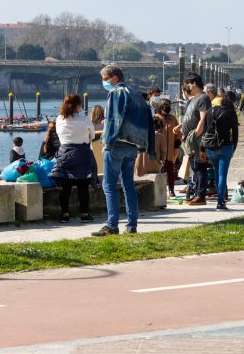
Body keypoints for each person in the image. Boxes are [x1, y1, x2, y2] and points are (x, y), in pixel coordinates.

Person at [92, 64, 154, 237]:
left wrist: (107, 142)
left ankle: (112, 225)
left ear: (114, 78)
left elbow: (113, 120)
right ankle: (132, 225)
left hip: (117, 145)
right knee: (128, 185)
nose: (104, 82)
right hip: (133, 146)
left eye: (105, 79)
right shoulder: (136, 94)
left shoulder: (116, 93)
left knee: (109, 185)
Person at [50, 94, 96, 224]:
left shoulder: (59, 119)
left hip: (64, 154)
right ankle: (85, 214)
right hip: (82, 154)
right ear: (77, 105)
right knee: (83, 187)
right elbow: (92, 135)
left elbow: (59, 136)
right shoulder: (84, 119)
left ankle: (65, 214)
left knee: (65, 187)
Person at [174, 75, 211, 205]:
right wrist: (180, 126)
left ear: (194, 83)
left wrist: (196, 134)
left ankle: (201, 196)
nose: (187, 88)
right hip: (190, 139)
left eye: (188, 84)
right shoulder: (194, 99)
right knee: (195, 167)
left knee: (200, 166)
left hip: (198, 139)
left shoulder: (203, 98)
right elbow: (190, 117)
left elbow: (203, 118)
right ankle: (196, 193)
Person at [205, 90, 239, 210]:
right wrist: (233, 147)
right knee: (222, 175)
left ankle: (220, 198)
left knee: (216, 172)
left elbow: (206, 129)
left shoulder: (210, 111)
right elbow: (235, 133)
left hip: (211, 147)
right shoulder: (230, 113)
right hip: (226, 146)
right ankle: (220, 201)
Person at [156, 99, 180, 198]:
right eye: (164, 105)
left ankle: (171, 190)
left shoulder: (173, 119)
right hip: (158, 150)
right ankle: (160, 191)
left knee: (170, 170)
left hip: (170, 150)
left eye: (168, 105)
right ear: (160, 107)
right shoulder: (156, 118)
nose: (167, 107)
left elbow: (178, 133)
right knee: (159, 171)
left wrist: (177, 145)